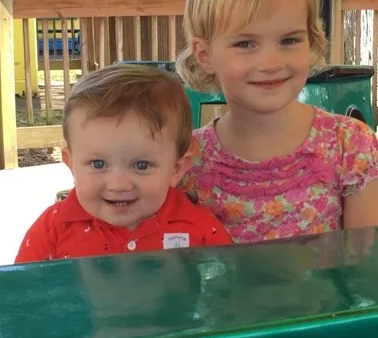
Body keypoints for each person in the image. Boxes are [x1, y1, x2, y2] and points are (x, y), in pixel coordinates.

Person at [176, 0, 378, 244]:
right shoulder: (186, 162)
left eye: (289, 40)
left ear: (311, 41)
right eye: (245, 44)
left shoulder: (349, 146)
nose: (271, 63)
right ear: (205, 54)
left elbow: (366, 268)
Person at [15, 64, 231, 262]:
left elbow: (227, 293)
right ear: (71, 164)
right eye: (98, 164)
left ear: (176, 169)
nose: (118, 184)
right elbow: (20, 294)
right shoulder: (54, 228)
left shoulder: (200, 229)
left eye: (141, 165)